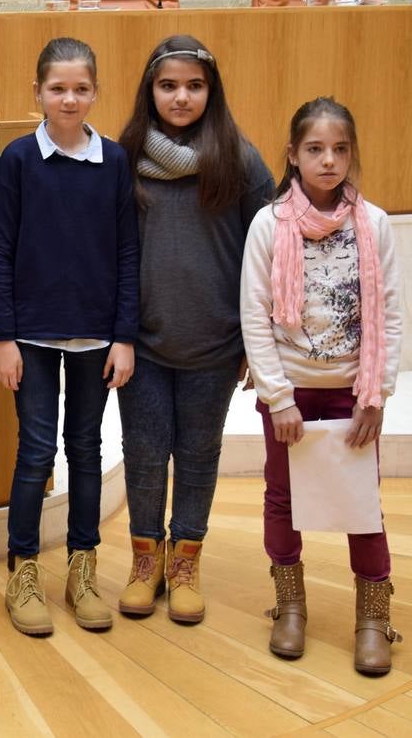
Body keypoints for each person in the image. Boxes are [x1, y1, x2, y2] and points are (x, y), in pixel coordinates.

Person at [115, 34, 275, 624]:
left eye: (194, 86)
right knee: (145, 453)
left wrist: (256, 343)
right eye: (168, 85)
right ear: (149, 91)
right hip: (144, 343)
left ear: (212, 91)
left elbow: (268, 254)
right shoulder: (124, 155)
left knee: (200, 453)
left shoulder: (240, 159)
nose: (181, 97)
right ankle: (144, 560)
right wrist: (117, 332)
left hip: (215, 342)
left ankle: (185, 561)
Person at [240, 96, 403, 675]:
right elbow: (254, 315)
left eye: (339, 149)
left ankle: (373, 618)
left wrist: (374, 394)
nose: (328, 160)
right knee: (283, 499)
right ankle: (290, 607)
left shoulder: (374, 224)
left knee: (364, 505)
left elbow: (391, 314)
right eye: (314, 149)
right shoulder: (269, 223)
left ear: (352, 154)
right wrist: (278, 396)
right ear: (293, 155)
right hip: (291, 392)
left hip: (351, 393)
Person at [0, 38, 138, 636]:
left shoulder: (116, 162)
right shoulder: (19, 160)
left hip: (97, 339)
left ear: (96, 92)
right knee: (34, 454)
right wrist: (4, 336)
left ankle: (83, 569)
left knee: (87, 452)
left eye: (81, 88)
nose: (69, 99)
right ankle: (23, 570)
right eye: (58, 88)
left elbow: (128, 251)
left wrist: (123, 335)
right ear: (37, 94)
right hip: (31, 338)